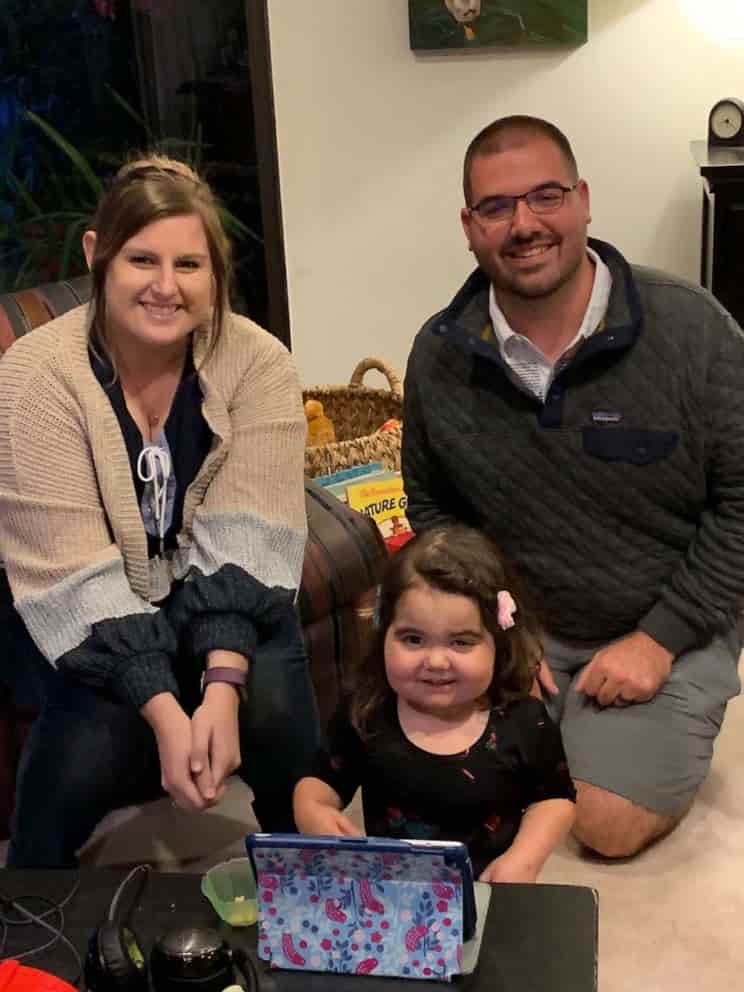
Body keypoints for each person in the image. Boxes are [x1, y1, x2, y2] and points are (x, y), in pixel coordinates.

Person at [401, 115, 744, 858]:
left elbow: (742, 504)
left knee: (603, 823)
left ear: (584, 199)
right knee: (417, 775)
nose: (524, 224)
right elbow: (434, 514)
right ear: (469, 226)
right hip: (518, 624)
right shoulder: (438, 355)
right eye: (496, 207)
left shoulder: (694, 330)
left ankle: (662, 716)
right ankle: (556, 720)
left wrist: (660, 640)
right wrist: (496, 632)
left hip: (666, 621)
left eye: (546, 196)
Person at [0, 155, 320, 868]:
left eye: (189, 264)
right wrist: (166, 708)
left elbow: (249, 540)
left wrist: (224, 687)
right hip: (82, 606)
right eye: (142, 259)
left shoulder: (259, 364)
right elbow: (71, 577)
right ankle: (30, 895)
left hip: (215, 593)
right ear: (97, 255)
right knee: (93, 733)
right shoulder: (32, 376)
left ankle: (311, 873)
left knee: (271, 694)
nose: (166, 287)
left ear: (217, 271)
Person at [293, 525, 576, 882]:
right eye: (413, 639)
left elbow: (555, 798)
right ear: (383, 634)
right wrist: (311, 810)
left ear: (498, 643)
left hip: (494, 892)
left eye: (461, 642)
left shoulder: (524, 720)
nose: (437, 662)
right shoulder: (366, 711)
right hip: (394, 898)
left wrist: (525, 857)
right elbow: (319, 784)